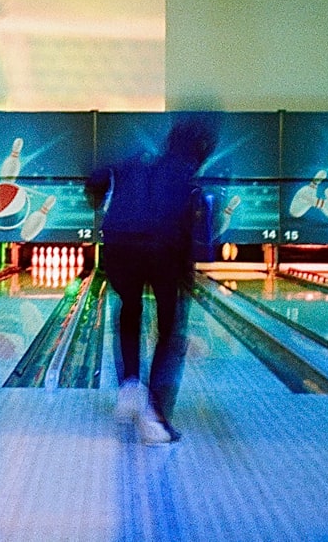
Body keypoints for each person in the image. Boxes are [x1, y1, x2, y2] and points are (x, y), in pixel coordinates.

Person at [86, 113, 218, 445]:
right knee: (170, 328)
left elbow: (96, 180)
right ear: (200, 151)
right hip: (165, 247)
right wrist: (189, 276)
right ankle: (155, 417)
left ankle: (130, 384)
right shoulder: (190, 179)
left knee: (129, 308)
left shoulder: (134, 163)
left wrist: (100, 201)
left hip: (119, 244)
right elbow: (196, 236)